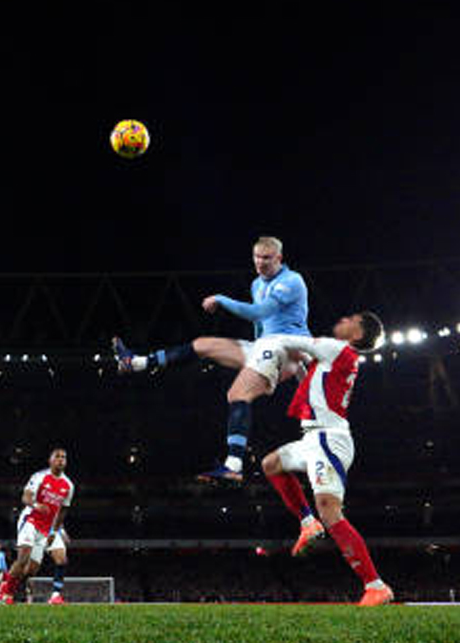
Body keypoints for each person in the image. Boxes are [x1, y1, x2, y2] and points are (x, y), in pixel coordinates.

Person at [114, 236, 310, 483]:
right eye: (257, 257)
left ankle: (234, 466)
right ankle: (136, 363)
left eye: (267, 258)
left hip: (286, 348)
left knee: (237, 394)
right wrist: (259, 357)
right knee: (202, 345)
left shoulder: (292, 281)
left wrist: (221, 299)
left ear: (279, 258)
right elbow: (260, 326)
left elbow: (257, 312)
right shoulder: (257, 284)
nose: (260, 263)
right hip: (265, 346)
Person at [260, 311, 394, 607]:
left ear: (358, 333)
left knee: (331, 513)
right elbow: (311, 386)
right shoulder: (335, 357)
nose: (343, 319)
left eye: (351, 319)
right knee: (271, 464)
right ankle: (307, 523)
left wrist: (264, 330)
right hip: (314, 437)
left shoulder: (336, 348)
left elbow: (286, 340)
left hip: (328, 439)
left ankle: (375, 585)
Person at [0, 449, 74, 605]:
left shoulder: (68, 485)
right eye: (57, 457)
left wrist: (56, 531)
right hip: (30, 521)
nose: (61, 459)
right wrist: (36, 505)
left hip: (48, 528)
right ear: (50, 460)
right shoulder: (39, 477)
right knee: (23, 558)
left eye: (63, 457)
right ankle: (7, 593)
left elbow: (62, 511)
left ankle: (55, 596)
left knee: (54, 562)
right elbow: (25, 497)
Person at [44, 526, 70, 604]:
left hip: (53, 529)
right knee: (28, 566)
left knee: (62, 561)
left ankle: (56, 595)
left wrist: (62, 531)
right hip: (38, 528)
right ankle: (11, 590)